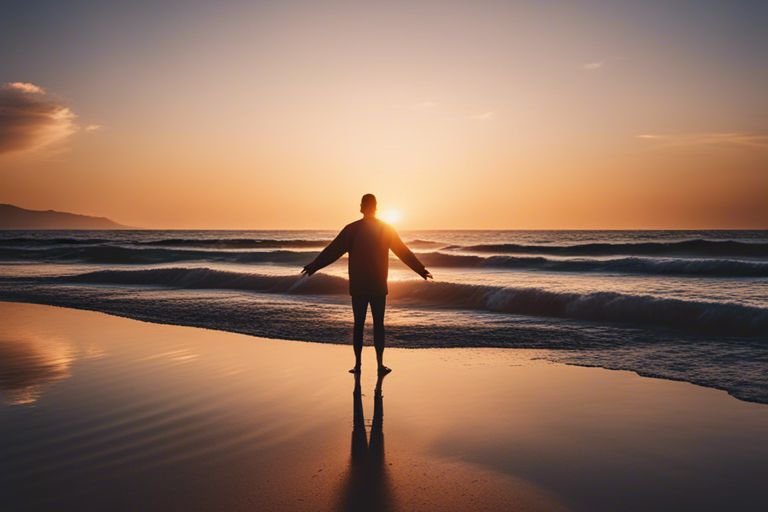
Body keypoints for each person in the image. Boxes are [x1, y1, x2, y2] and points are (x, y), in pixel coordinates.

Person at [301, 194, 432, 374]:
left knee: (359, 325)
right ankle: (379, 365)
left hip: (361, 285)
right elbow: (403, 251)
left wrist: (315, 265)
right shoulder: (383, 229)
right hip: (376, 285)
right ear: (375, 207)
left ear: (362, 207)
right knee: (378, 324)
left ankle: (358, 365)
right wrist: (420, 269)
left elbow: (332, 251)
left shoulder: (353, 229)